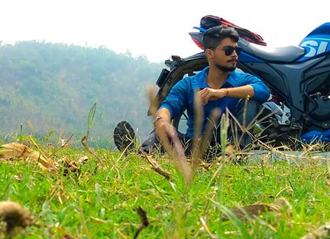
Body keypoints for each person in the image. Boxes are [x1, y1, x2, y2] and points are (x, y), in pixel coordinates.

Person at [114, 25, 270, 159]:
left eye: (237, 50)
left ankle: (232, 154)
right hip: (193, 147)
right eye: (228, 50)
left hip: (227, 148)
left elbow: (263, 91)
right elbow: (170, 105)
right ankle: (141, 155)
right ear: (210, 53)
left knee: (252, 100)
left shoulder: (242, 80)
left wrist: (223, 92)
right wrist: (162, 119)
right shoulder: (189, 84)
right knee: (161, 128)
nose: (234, 55)